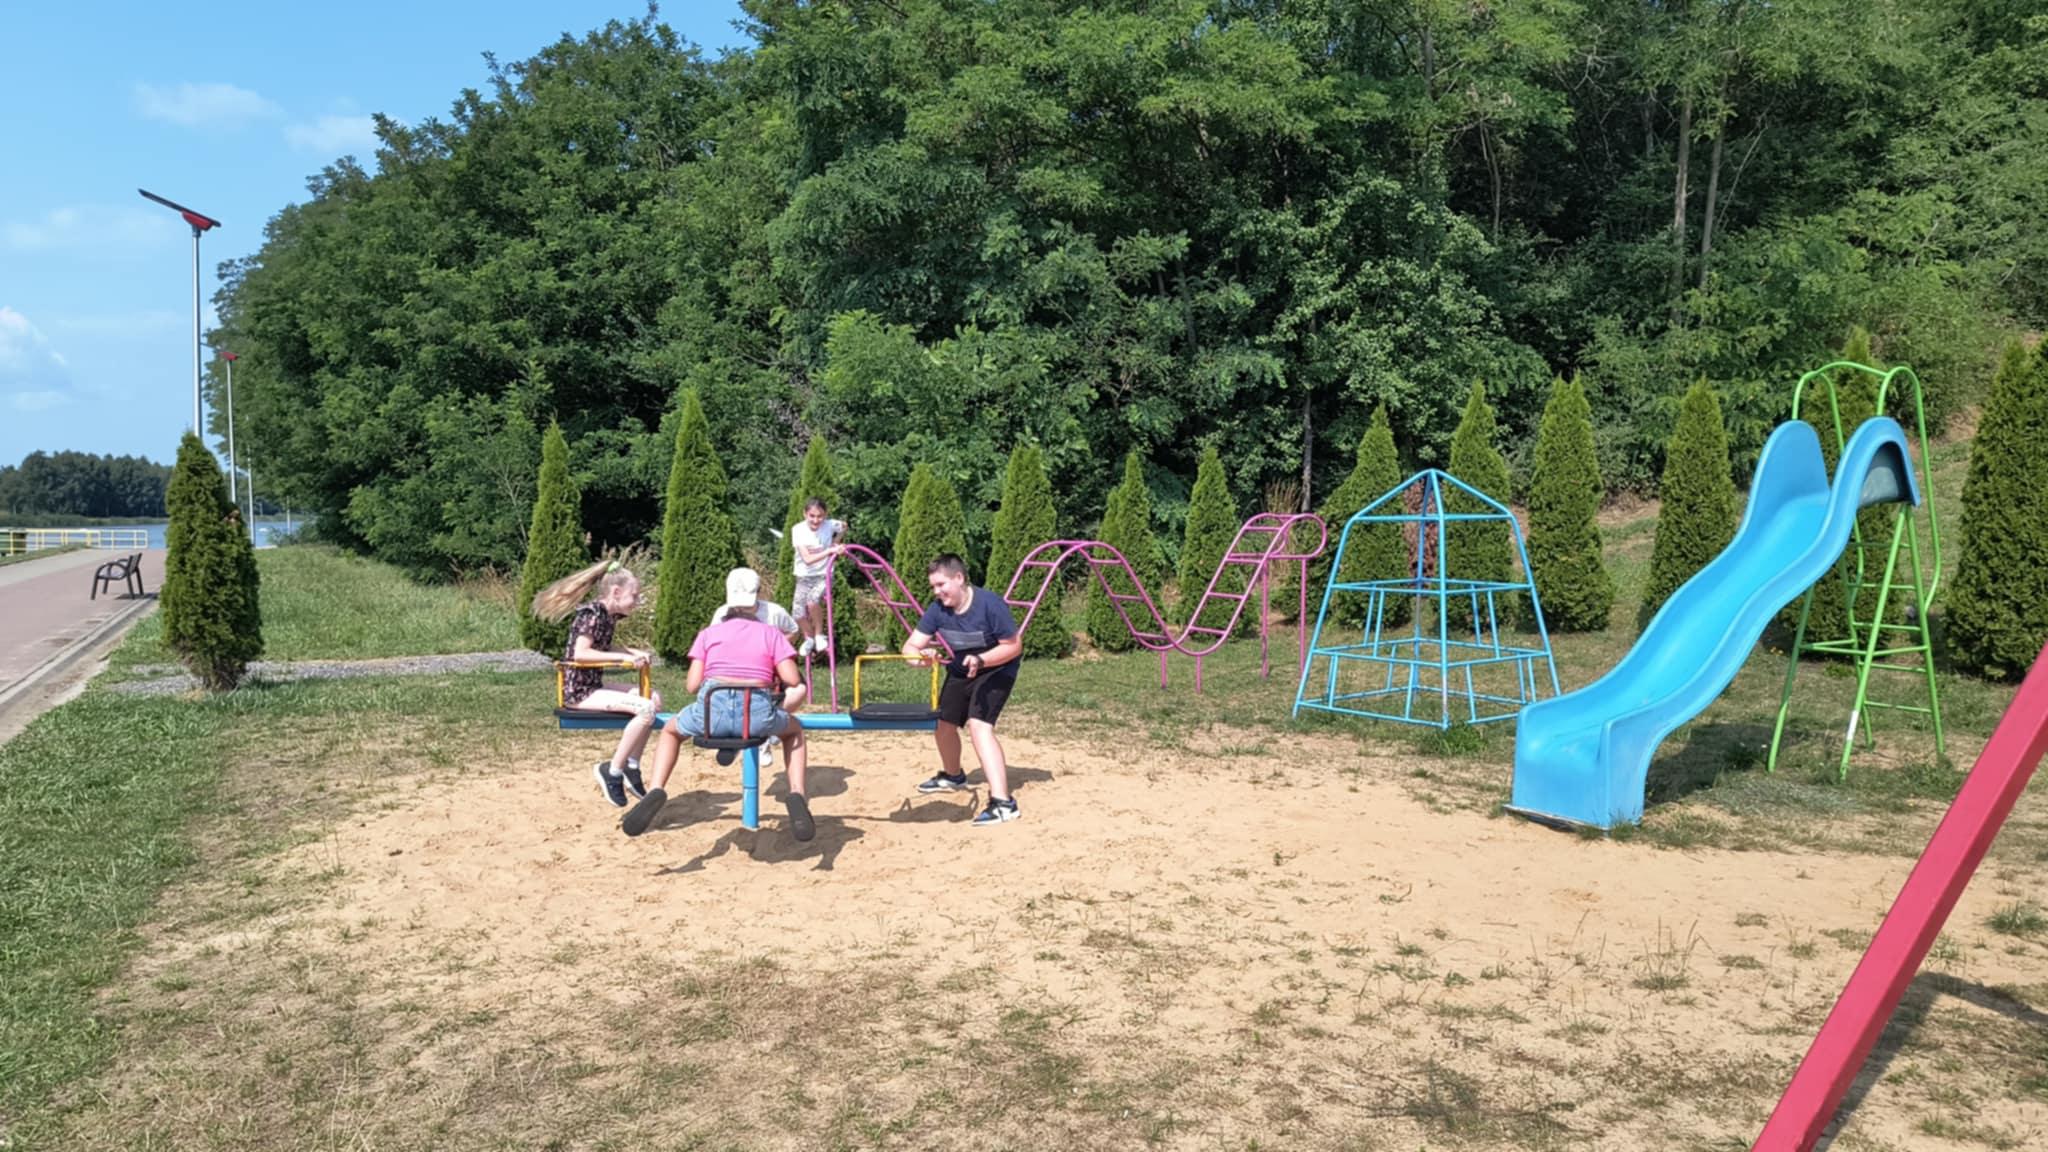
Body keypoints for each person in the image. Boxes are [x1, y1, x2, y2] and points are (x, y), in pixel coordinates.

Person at [623, 568, 816, 841]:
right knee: (793, 731)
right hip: (755, 713)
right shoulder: (770, 633)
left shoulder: (708, 633)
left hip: (711, 712)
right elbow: (792, 679)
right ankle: (797, 793)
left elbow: (692, 685)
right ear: (757, 596)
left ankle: (656, 788)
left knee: (671, 731)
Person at [902, 554, 1023, 826]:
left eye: (941, 584)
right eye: (933, 586)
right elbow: (910, 647)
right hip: (962, 667)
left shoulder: (990, 604)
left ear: (959, 578)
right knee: (943, 723)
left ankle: (1003, 803)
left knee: (979, 726)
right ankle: (953, 775)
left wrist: (981, 660)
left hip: (996, 667)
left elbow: (1014, 646)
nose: (936, 592)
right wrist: (921, 658)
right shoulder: (937, 610)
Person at [532, 557, 660, 809]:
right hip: (578, 692)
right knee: (645, 709)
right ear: (616, 592)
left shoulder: (608, 616)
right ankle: (612, 771)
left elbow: (604, 646)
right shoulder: (590, 615)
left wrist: (632, 652)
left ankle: (631, 766)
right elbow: (581, 653)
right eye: (634, 596)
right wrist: (623, 658)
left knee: (654, 698)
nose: (637, 601)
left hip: (593, 685)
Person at [790, 498, 850, 658]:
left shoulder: (830, 525)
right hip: (804, 576)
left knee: (812, 600)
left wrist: (836, 541)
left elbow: (844, 526)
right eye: (812, 516)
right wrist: (830, 550)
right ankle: (809, 637)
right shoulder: (798, 530)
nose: (816, 520)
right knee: (797, 612)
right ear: (805, 514)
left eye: (820, 516)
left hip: (823, 574)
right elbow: (807, 559)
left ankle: (819, 634)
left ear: (825, 515)